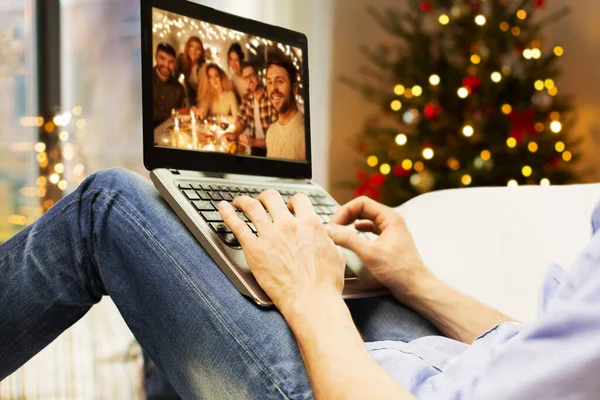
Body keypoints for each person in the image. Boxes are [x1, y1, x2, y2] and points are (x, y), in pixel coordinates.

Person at [2, 168, 600, 399]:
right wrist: (415, 282)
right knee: (221, 266)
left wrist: (312, 295)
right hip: (448, 365)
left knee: (105, 207)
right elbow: (549, 356)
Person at [227, 62, 277, 157]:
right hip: (253, 148)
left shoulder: (271, 97)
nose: (249, 81)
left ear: (258, 76)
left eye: (251, 75)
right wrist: (234, 133)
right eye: (246, 78)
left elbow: (275, 139)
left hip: (271, 150)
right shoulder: (247, 96)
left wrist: (252, 142)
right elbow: (241, 120)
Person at [264, 58, 306, 161]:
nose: (273, 88)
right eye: (269, 82)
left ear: (294, 89)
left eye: (279, 81)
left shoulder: (306, 134)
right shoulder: (270, 132)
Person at [153, 43, 186, 128]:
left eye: (171, 61)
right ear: (156, 56)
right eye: (162, 58)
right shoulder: (142, 79)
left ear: (175, 63)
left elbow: (181, 114)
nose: (166, 65)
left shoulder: (179, 89)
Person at [173, 36, 206, 107]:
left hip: (204, 98)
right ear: (187, 48)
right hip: (191, 98)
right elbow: (173, 79)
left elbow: (205, 92)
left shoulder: (203, 67)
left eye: (198, 49)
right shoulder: (182, 61)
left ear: (201, 52)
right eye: (191, 47)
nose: (194, 51)